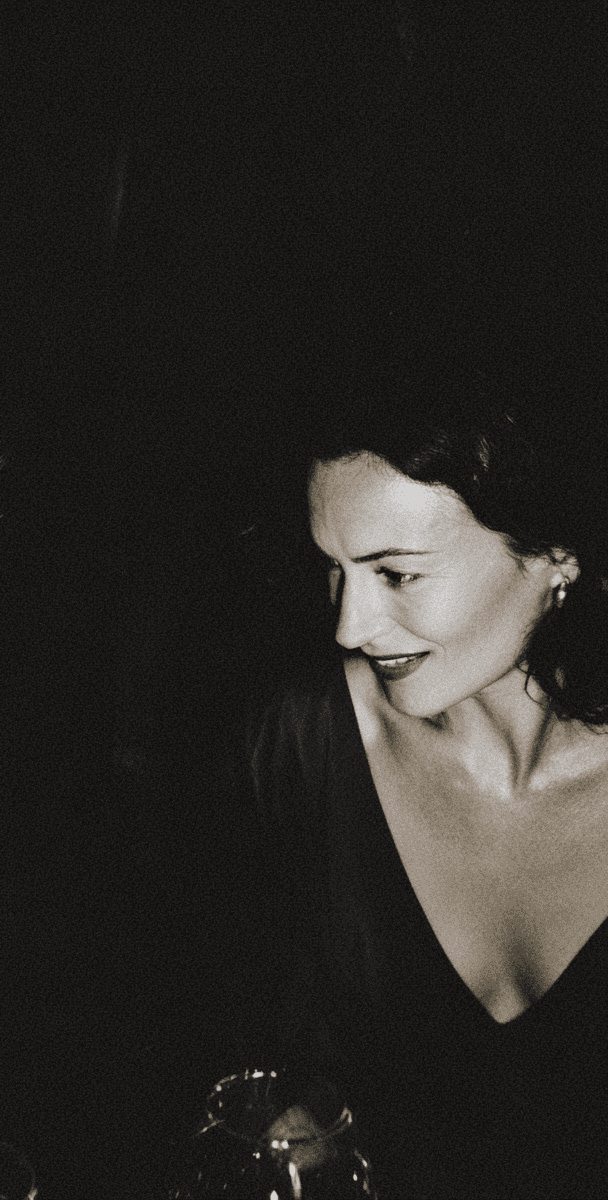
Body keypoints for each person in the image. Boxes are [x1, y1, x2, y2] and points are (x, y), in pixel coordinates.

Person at [246, 339, 608, 1199]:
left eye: (396, 574)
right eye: (334, 570)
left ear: (555, 556)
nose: (350, 625)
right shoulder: (302, 740)